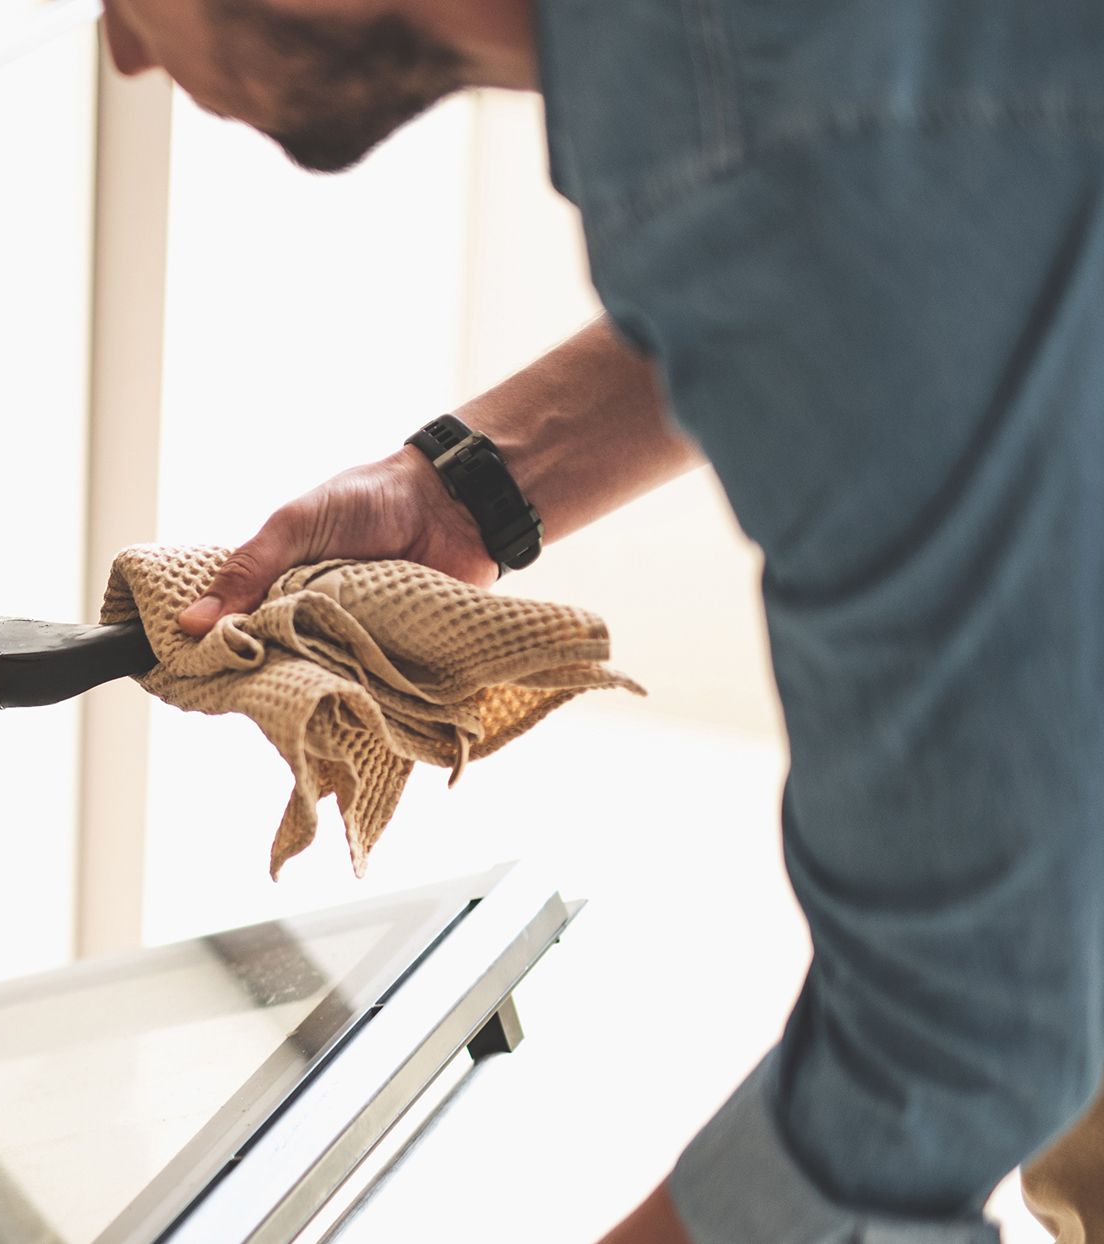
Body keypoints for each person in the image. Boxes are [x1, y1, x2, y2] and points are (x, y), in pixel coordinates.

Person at [99, 1, 1104, 1241]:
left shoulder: (774, 112)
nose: (123, 50)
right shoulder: (761, 73)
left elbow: (950, 1041)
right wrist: (460, 487)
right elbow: (915, 221)